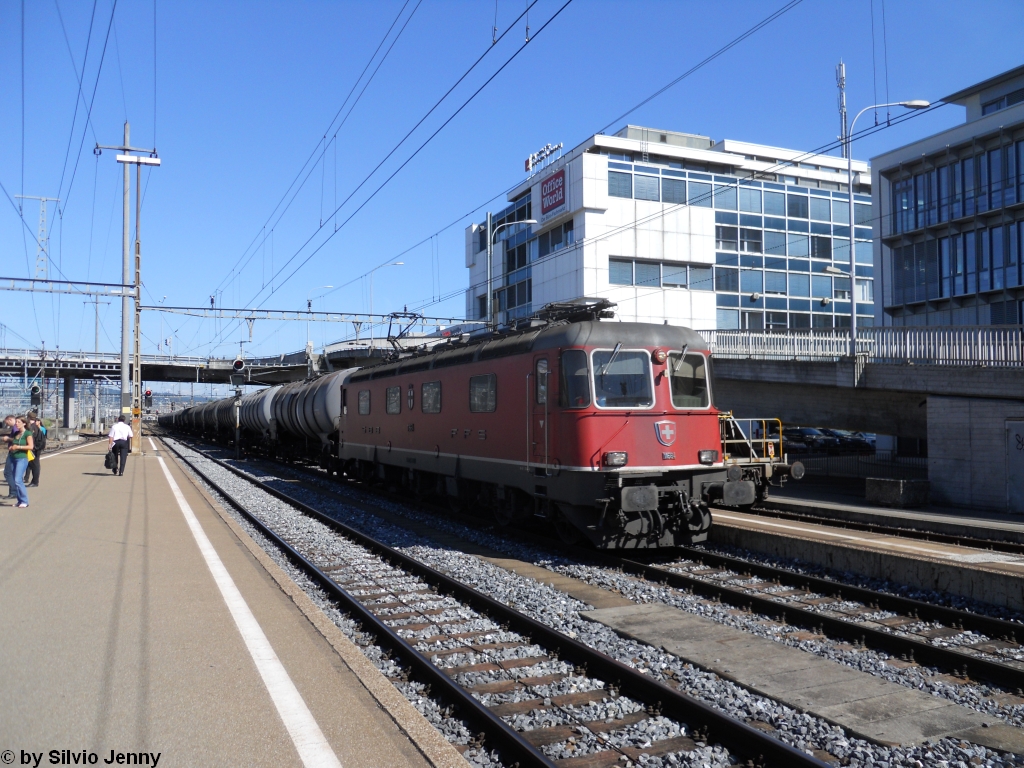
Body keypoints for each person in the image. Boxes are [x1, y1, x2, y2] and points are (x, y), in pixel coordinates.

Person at [6, 415, 33, 507]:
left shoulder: (27, 433)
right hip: (13, 457)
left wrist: (18, 447)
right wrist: (11, 447)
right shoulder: (16, 433)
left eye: (18, 422)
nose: (16, 424)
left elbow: (30, 446)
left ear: (24, 423)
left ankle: (25, 501)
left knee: (18, 480)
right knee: (15, 480)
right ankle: (19, 501)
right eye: (16, 422)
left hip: (22, 458)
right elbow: (14, 443)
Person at [23, 413, 45, 487]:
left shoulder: (31, 427)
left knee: (35, 465)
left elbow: (31, 439)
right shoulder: (36, 426)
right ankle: (33, 481)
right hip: (36, 448)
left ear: (28, 418)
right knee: (33, 465)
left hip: (34, 449)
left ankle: (35, 482)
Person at [1, 415, 17, 499]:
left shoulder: (15, 428)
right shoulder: (16, 428)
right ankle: (14, 491)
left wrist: (7, 439)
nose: (7, 424)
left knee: (8, 472)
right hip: (15, 452)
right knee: (12, 472)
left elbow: (17, 440)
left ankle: (13, 492)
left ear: (10, 419)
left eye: (7, 422)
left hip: (13, 452)